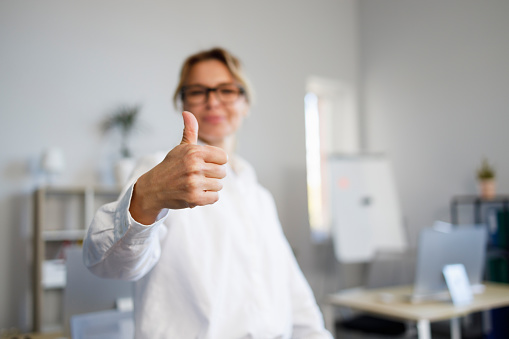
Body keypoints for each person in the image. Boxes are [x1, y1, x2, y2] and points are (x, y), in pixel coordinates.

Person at [83, 47, 332, 339]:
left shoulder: (259, 195)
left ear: (246, 103)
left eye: (226, 90)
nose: (213, 101)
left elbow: (293, 294)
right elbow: (110, 265)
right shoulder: (159, 171)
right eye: (198, 91)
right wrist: (147, 199)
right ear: (182, 103)